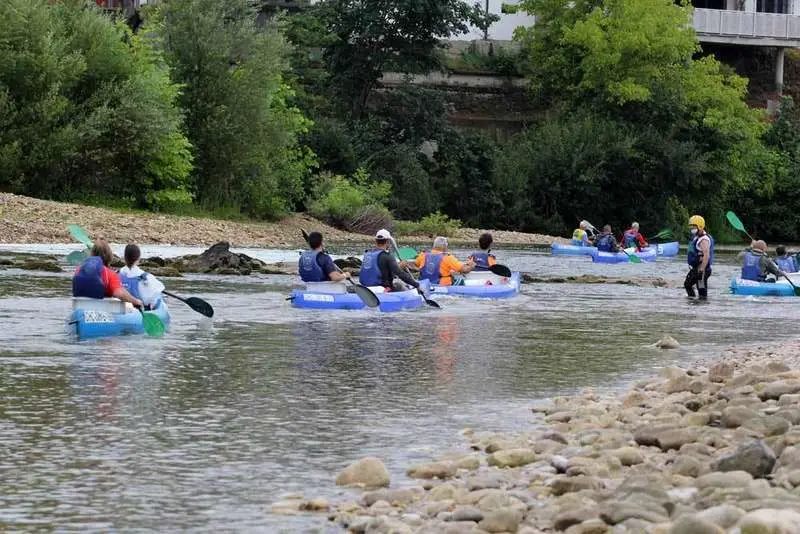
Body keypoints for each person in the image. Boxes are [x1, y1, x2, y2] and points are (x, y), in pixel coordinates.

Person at [72, 240, 143, 308]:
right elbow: (119, 293)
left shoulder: (79, 269)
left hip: (81, 308)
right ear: (109, 255)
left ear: (92, 254)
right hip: (103, 310)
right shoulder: (110, 274)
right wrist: (135, 301)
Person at [118, 244, 165, 308]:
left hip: (119, 308)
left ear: (124, 257)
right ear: (138, 258)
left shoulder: (115, 275)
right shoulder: (146, 278)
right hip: (138, 309)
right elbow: (156, 295)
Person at [684, 215, 714, 300]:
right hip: (696, 268)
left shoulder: (704, 240)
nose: (692, 229)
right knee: (688, 284)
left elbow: (706, 255)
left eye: (693, 226)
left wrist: (701, 271)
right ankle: (692, 302)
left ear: (700, 226)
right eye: (691, 227)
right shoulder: (697, 237)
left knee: (701, 292)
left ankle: (701, 308)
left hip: (702, 270)